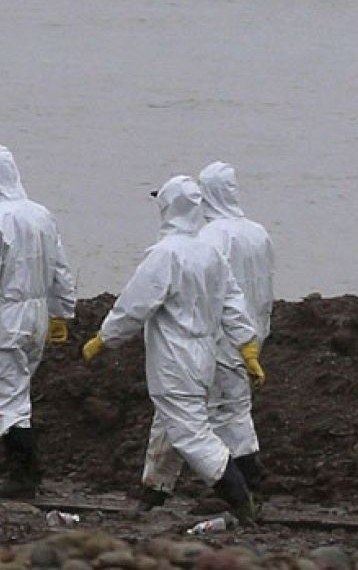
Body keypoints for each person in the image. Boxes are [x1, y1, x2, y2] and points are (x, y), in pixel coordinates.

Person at [83, 177, 263, 523]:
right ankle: (153, 491)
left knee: (192, 433)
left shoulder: (165, 254)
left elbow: (134, 305)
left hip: (174, 359)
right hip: (206, 355)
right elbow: (232, 302)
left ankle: (240, 497)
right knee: (171, 422)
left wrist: (105, 338)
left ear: (167, 206)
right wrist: (246, 345)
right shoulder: (210, 252)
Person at [135, 162, 276, 511]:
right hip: (250, 336)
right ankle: (159, 490)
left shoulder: (211, 237)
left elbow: (207, 291)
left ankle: (232, 494)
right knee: (234, 413)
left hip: (214, 340)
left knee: (186, 416)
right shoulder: (258, 233)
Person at [0, 145, 76, 500]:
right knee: (19, 392)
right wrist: (61, 313)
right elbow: (61, 268)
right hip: (37, 316)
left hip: (6, 318)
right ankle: (30, 469)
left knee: (3, 398)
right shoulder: (42, 215)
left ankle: (23, 475)